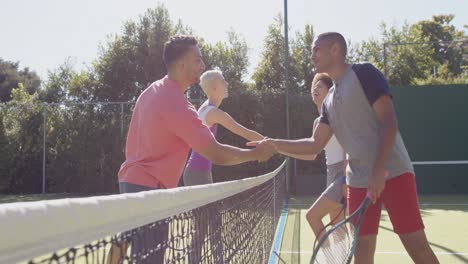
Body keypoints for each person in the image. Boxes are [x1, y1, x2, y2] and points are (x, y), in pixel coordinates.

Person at [249, 32, 439, 264]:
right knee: (362, 252)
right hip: (357, 181)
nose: (312, 56)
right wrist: (273, 144)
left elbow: (389, 121)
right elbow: (314, 144)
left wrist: (378, 170)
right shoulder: (329, 101)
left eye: (316, 49)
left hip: (393, 172)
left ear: (336, 49)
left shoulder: (365, 73)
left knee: (416, 245)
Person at [113, 35, 275, 264]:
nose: (203, 65)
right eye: (198, 60)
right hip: (150, 189)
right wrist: (255, 154)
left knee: (128, 247)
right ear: (182, 65)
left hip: (132, 182)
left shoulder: (152, 91)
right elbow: (215, 152)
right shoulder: (176, 104)